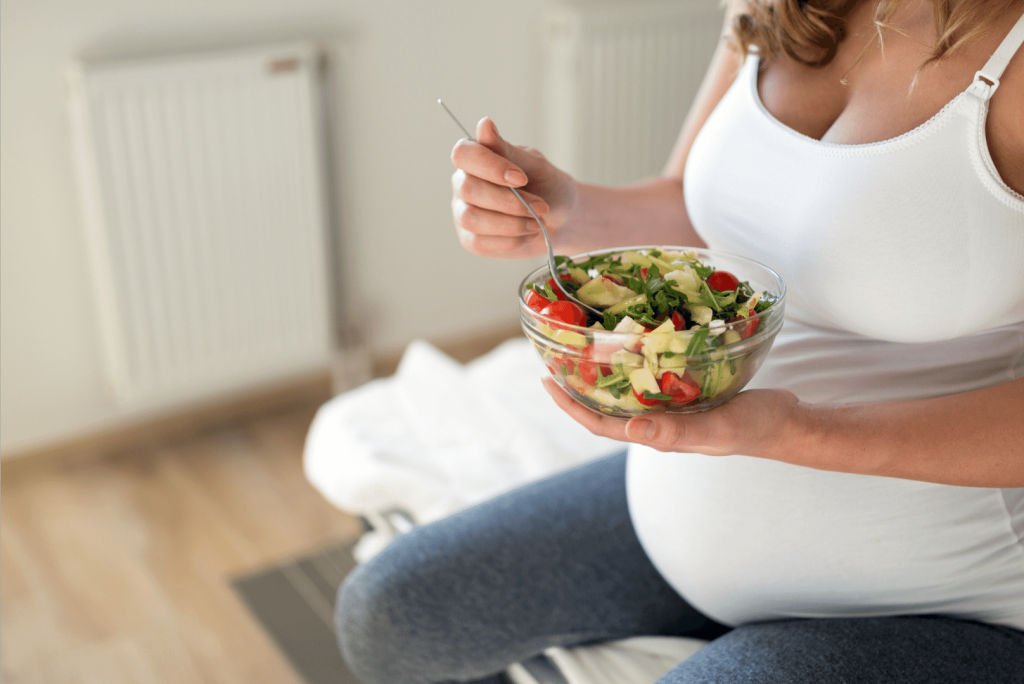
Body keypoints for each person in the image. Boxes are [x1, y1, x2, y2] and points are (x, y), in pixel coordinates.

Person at [336, 0, 1024, 681]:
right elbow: (705, 211)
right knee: (389, 616)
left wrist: (796, 432)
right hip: (683, 519)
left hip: (946, 594)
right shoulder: (777, 6)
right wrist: (568, 209)